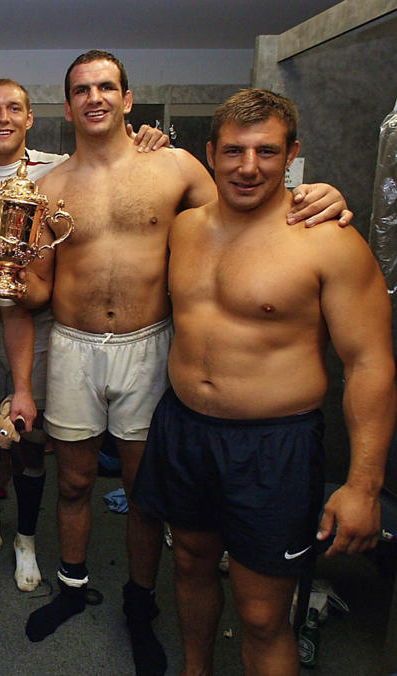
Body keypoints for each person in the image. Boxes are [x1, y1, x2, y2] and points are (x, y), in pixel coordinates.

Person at [0, 51, 350, 674]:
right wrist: (11, 285)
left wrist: (317, 198)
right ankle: (72, 587)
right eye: (81, 89)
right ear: (67, 104)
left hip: (152, 344)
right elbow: (40, 290)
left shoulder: (177, 165)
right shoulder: (45, 187)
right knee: (74, 480)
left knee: (145, 493)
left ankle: (139, 602)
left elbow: (246, 214)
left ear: (128, 99)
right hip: (74, 345)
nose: (95, 97)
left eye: (107, 86)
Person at [133, 88, 396, 675]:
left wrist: (363, 486)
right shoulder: (184, 229)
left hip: (274, 447)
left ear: (292, 155)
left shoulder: (331, 239)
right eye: (233, 151)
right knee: (192, 565)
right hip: (185, 430)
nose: (248, 167)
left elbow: (371, 364)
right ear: (211, 153)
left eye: (267, 152)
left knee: (261, 614)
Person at [0, 78, 168, 592]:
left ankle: (26, 536)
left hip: (44, 324)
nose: (2, 118)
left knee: (30, 438)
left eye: (14, 108)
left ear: (31, 118)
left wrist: (152, 144)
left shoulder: (59, 172)